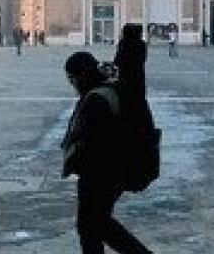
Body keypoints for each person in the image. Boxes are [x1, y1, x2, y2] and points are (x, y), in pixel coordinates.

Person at [61, 50, 154, 254]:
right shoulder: (103, 90)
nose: (72, 84)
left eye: (72, 78)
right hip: (106, 173)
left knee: (94, 225)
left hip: (100, 174)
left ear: (81, 75)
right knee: (92, 226)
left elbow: (100, 142)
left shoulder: (97, 99)